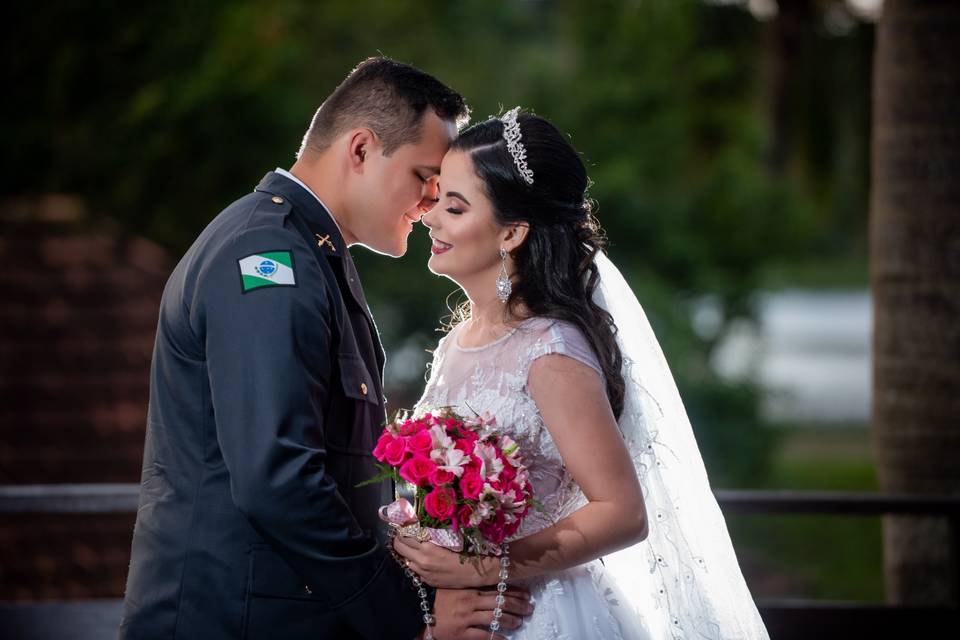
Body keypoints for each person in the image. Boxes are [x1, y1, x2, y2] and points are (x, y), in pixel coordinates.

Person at [119, 58, 533, 640]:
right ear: (361, 149)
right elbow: (278, 478)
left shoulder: (307, 252)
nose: (432, 203)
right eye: (424, 176)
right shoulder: (268, 258)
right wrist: (405, 619)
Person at [393, 108, 770, 639]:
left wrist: (487, 568)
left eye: (453, 207)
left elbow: (622, 512)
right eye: (435, 199)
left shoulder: (548, 350)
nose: (430, 217)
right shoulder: (458, 341)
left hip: (540, 612)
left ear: (512, 232)